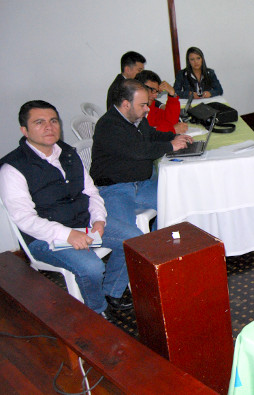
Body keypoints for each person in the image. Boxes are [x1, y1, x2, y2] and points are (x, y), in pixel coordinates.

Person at [0, 100, 143, 317]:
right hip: (45, 238)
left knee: (135, 240)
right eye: (39, 122)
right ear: (24, 130)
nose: (49, 127)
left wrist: (98, 219)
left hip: (84, 222)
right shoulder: (13, 168)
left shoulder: (67, 153)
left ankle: (111, 293)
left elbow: (91, 192)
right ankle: (97, 312)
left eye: (53, 121)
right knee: (92, 267)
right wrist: (67, 234)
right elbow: (25, 219)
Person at [91, 79, 193, 233]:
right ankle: (151, 244)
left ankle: (159, 240)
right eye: (143, 105)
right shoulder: (108, 125)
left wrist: (173, 137)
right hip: (114, 189)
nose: (147, 109)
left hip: (141, 184)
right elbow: (138, 151)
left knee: (180, 200)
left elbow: (152, 135)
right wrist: (171, 145)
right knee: (128, 240)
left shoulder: (137, 118)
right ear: (126, 104)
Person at [135, 70, 188, 134]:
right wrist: (171, 130)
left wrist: (172, 95)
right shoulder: (130, 110)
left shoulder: (151, 108)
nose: (155, 96)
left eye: (157, 92)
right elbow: (140, 135)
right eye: (152, 90)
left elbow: (171, 122)